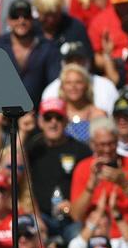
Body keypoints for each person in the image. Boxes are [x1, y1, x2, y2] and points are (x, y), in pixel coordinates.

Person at [70, 118, 128, 235]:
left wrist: (125, 184)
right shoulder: (83, 168)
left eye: (111, 143)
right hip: (95, 237)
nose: (107, 149)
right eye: (102, 145)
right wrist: (91, 186)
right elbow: (76, 216)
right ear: (92, 144)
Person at [26, 97, 92, 238]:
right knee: (26, 232)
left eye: (59, 118)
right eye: (48, 118)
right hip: (40, 216)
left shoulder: (82, 150)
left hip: (72, 218)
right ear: (40, 121)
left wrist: (74, 206)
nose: (53, 122)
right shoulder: (32, 148)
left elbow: (90, 184)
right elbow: (17, 177)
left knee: (79, 237)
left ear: (66, 121)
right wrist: (23, 131)